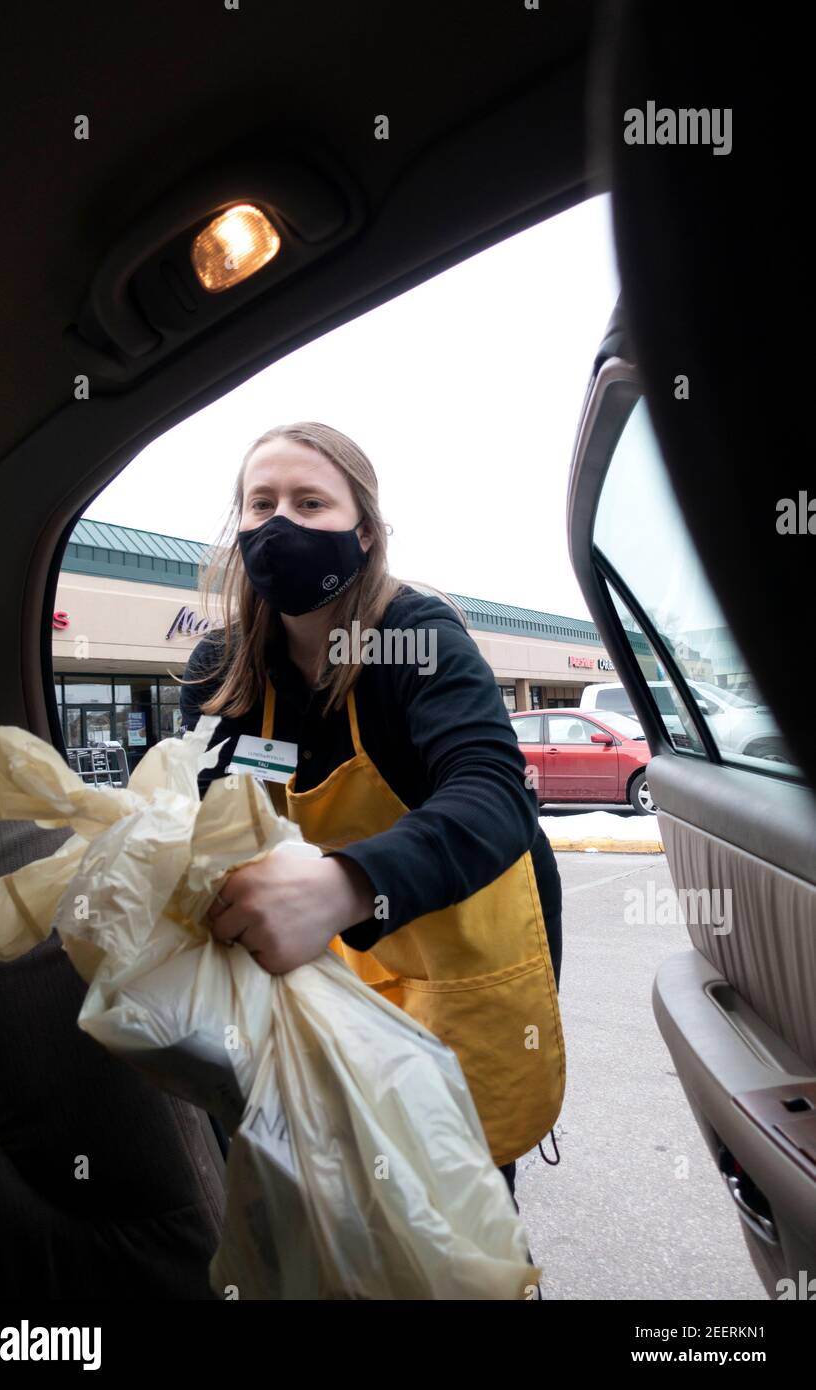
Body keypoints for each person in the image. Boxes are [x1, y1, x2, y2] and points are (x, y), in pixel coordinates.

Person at [179, 421, 564, 1200]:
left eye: (310, 502)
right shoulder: (220, 668)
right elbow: (205, 824)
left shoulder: (417, 637)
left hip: (463, 927)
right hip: (321, 952)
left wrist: (343, 885)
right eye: (261, 503)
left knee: (454, 1191)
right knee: (337, 1184)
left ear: (363, 534)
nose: (280, 522)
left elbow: (493, 789)